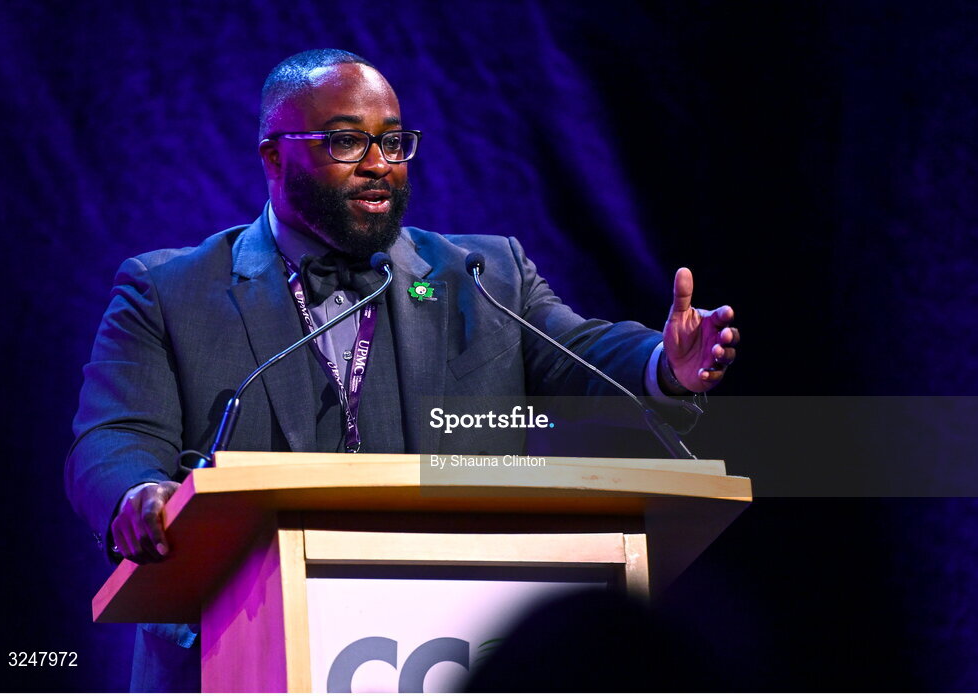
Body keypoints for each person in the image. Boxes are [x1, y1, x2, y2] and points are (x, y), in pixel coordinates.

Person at [66, 48, 739, 692]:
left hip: (459, 646)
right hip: (238, 658)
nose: (379, 164)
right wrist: (139, 497)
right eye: (345, 141)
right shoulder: (170, 291)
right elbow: (111, 439)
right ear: (275, 157)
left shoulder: (482, 277)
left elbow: (582, 349)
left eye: (393, 142)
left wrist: (664, 364)